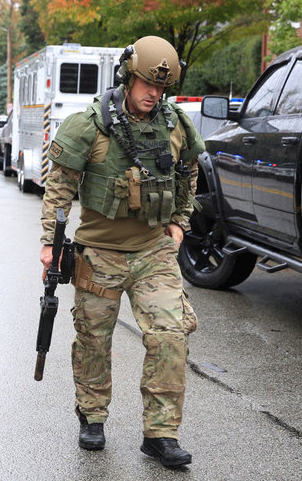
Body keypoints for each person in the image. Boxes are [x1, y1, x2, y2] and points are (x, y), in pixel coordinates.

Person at [39, 36, 204, 468]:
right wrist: (49, 245)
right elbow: (58, 190)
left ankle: (161, 433)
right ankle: (92, 417)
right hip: (99, 253)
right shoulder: (88, 124)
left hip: (154, 251)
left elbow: (189, 174)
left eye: (160, 87)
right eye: (146, 83)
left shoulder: (176, 125)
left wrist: (180, 221)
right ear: (127, 78)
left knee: (170, 336)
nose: (153, 93)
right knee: (94, 339)